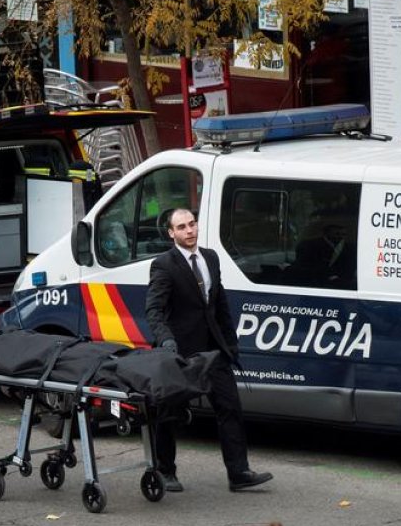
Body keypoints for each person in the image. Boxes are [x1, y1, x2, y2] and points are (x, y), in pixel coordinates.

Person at [144, 208, 273, 493]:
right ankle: (164, 470)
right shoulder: (164, 264)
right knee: (169, 413)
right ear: (171, 233)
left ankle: (239, 473)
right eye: (182, 227)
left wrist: (231, 343)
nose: (189, 230)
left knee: (230, 408)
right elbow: (154, 309)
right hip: (180, 352)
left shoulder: (211, 258)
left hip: (214, 350)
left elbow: (219, 303)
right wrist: (166, 342)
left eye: (192, 224)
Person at [292, 224, 356, 287]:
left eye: (343, 234)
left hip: (341, 285)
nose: (340, 237)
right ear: (327, 233)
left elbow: (350, 266)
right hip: (313, 284)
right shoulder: (309, 246)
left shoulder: (350, 248)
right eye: (337, 234)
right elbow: (304, 265)